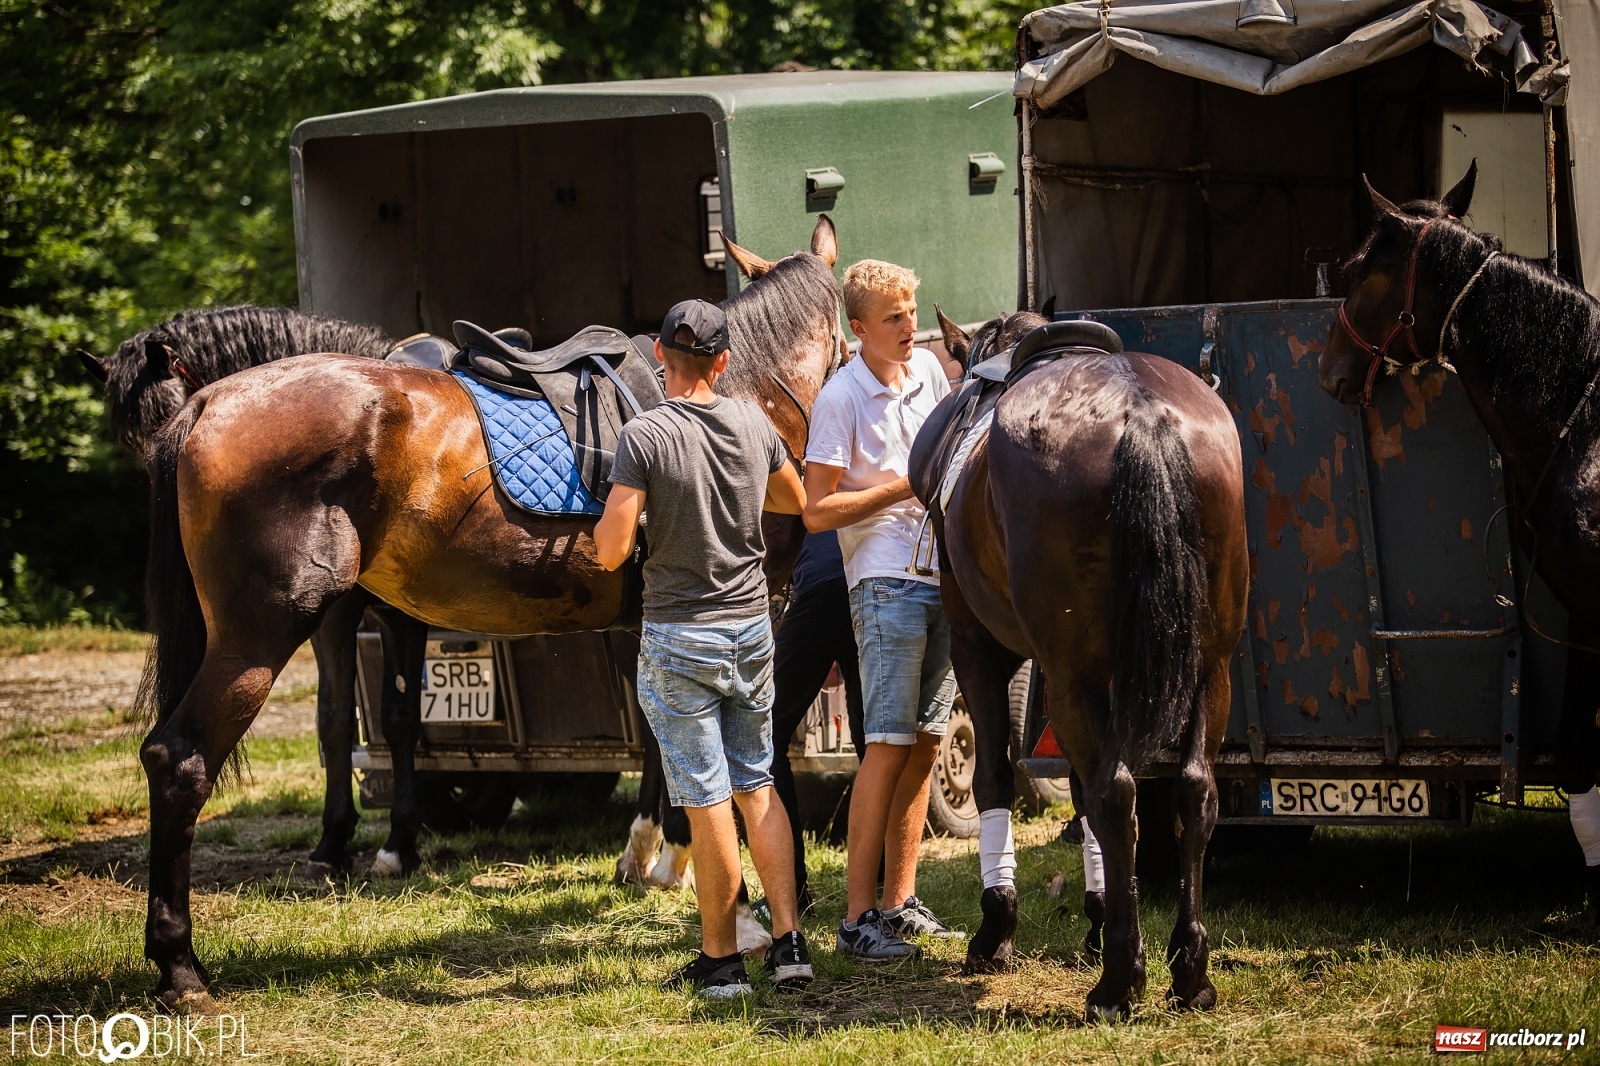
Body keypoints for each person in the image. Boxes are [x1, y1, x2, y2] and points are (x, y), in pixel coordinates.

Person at [594, 298, 812, 997]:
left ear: (660, 356)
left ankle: (721, 962)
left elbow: (610, 552)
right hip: (751, 630)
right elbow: (792, 500)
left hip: (680, 635)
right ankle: (790, 944)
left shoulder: (644, 434)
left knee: (706, 799)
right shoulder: (753, 419)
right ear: (723, 362)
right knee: (757, 785)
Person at [802, 259, 962, 960]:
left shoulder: (929, 371)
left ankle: (900, 903)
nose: (909, 327)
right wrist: (901, 488)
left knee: (927, 742)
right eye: (894, 317)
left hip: (940, 578)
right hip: (884, 583)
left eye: (912, 311)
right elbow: (815, 511)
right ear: (857, 328)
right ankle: (855, 919)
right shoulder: (840, 398)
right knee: (888, 745)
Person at [766, 529, 867, 919]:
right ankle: (880, 884)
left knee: (766, 736)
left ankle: (792, 889)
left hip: (825, 580)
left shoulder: (793, 467)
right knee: (872, 742)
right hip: (868, 580)